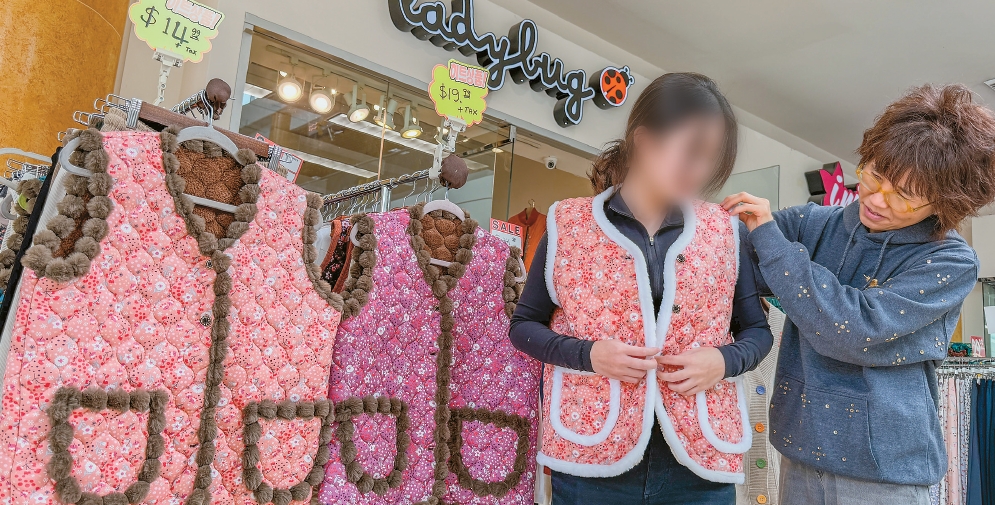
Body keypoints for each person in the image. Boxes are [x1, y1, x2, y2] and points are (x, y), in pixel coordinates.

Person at [722, 84, 995, 505]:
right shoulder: (814, 225)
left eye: (904, 195)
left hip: (885, 475)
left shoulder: (950, 262)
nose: (877, 199)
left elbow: (853, 327)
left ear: (944, 203)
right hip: (798, 452)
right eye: (875, 175)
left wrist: (771, 243)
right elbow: (723, 261)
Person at [510, 72, 774, 505]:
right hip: (591, 457)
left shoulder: (725, 233)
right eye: (692, 152)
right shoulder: (568, 224)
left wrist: (722, 361)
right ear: (645, 141)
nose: (702, 171)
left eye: (712, 159)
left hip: (699, 462)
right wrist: (589, 354)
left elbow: (758, 333)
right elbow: (523, 326)